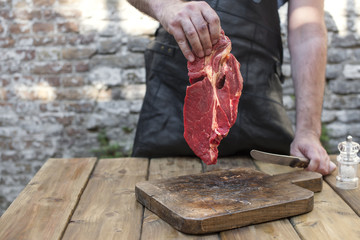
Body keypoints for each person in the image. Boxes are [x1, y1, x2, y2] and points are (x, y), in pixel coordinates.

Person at [127, 0, 336, 175]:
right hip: (175, 93)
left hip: (259, 95)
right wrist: (166, 6)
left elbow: (307, 30)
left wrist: (308, 131)